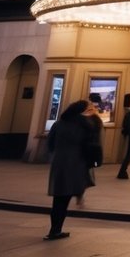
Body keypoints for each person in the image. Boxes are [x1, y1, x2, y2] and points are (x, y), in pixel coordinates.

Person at [46, 100, 93, 240]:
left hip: (59, 163)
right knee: (66, 197)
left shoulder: (58, 124)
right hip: (76, 163)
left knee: (58, 198)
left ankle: (54, 229)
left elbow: (50, 144)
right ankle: (57, 229)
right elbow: (90, 147)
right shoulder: (84, 126)